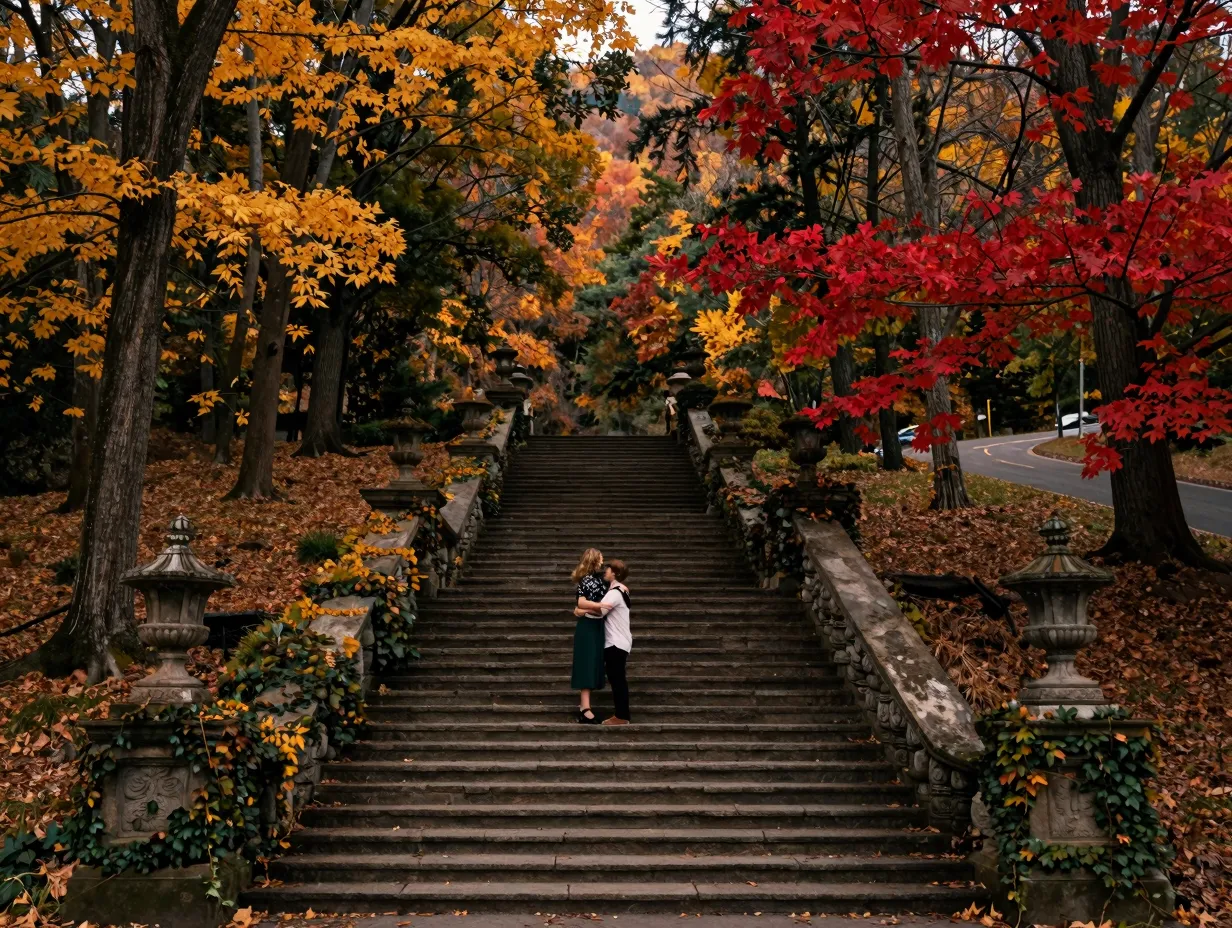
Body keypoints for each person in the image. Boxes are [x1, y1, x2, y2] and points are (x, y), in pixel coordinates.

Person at [576, 559, 632, 726]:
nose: (605, 571)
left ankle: (622, 716)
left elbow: (600, 611)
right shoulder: (621, 590)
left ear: (614, 573)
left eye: (608, 569)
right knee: (617, 678)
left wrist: (581, 610)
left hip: (615, 642)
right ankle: (622, 714)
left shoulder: (614, 592)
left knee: (617, 679)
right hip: (621, 641)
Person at [569, 548, 608, 724]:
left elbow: (582, 606)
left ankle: (584, 706)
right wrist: (595, 606)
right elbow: (580, 602)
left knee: (592, 662)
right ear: (595, 560)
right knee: (586, 663)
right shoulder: (587, 580)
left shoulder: (601, 581)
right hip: (588, 626)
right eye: (600, 559)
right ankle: (585, 707)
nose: (602, 561)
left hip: (596, 625)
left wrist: (583, 609)